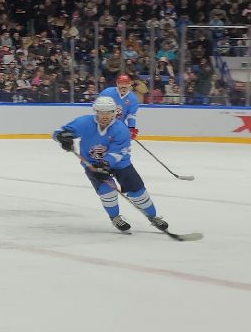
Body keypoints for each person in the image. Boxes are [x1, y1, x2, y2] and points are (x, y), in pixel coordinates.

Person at [53, 95, 186, 237]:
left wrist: (105, 164)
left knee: (138, 192)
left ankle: (153, 217)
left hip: (121, 164)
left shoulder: (120, 129)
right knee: (107, 192)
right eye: (101, 112)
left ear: (114, 113)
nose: (105, 116)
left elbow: (118, 152)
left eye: (109, 112)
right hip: (92, 164)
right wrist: (63, 138)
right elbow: (58, 132)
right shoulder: (83, 122)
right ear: (96, 112)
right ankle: (115, 218)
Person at [96, 72, 141, 139]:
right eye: (121, 84)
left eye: (126, 84)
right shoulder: (107, 92)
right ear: (117, 84)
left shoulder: (133, 98)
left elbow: (131, 115)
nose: (123, 86)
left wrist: (131, 129)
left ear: (129, 85)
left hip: (119, 125)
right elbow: (97, 107)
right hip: (103, 124)